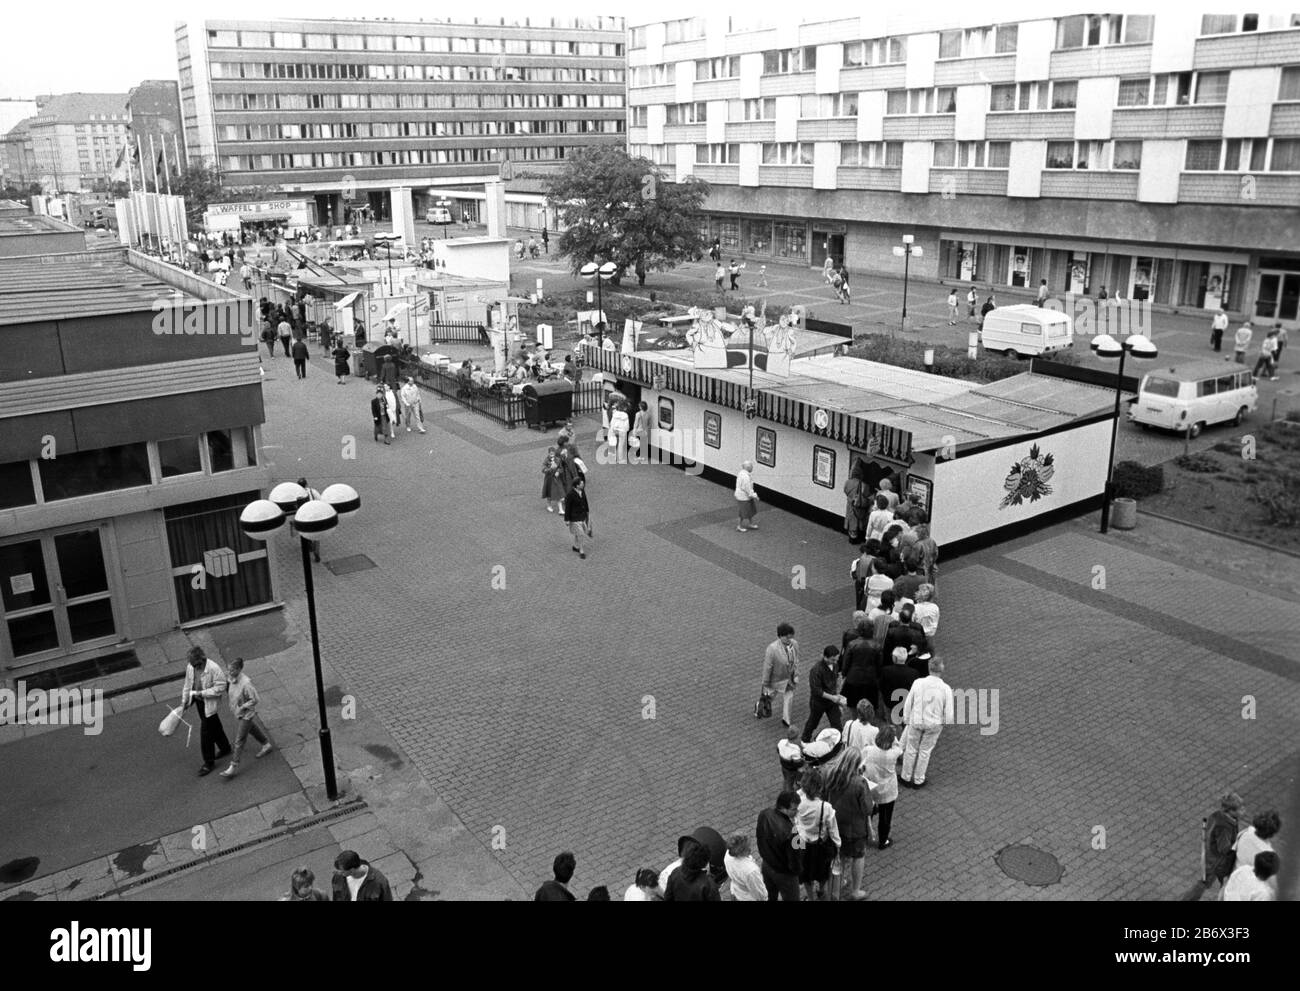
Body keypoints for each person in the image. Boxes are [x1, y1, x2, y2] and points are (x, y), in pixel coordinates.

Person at [824, 747, 873, 899]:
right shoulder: (860, 783)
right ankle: (855, 891)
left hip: (835, 825)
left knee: (840, 857)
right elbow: (868, 808)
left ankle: (837, 886)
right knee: (858, 856)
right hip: (855, 829)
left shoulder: (829, 774)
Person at [900, 656, 954, 788]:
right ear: (941, 670)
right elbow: (949, 711)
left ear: (929, 668)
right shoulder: (946, 688)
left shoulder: (918, 683)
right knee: (925, 751)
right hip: (934, 724)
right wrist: (945, 721)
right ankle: (919, 779)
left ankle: (906, 777)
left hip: (917, 720)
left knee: (911, 749)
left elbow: (908, 702)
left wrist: (907, 718)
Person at [218, 657, 273, 778]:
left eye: (232, 670)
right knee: (252, 728)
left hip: (246, 714)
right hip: (239, 713)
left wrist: (242, 707)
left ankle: (233, 766)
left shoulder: (246, 684)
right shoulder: (231, 678)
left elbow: (255, 699)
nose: (229, 672)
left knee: (239, 740)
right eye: (228, 670)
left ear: (239, 669)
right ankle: (266, 744)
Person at [183, 646, 231, 777]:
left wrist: (202, 693)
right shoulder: (191, 667)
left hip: (208, 702)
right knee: (213, 724)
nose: (195, 668)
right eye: (193, 665)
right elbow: (188, 685)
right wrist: (185, 701)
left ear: (202, 659)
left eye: (197, 665)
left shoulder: (214, 669)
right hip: (198, 701)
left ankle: (208, 762)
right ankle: (225, 747)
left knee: (206, 732)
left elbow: (221, 687)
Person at [795, 769, 841, 901]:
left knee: (806, 875)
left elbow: (795, 820)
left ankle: (810, 897)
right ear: (819, 787)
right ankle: (821, 892)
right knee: (822, 873)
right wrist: (838, 845)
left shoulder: (797, 800)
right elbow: (833, 829)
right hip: (820, 845)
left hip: (803, 844)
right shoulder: (825, 807)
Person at [756, 791, 802, 901]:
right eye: (794, 809)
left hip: (767, 866)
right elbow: (796, 858)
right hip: (785, 875)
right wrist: (797, 873)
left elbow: (759, 838)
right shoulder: (793, 833)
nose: (797, 812)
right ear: (783, 808)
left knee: (770, 896)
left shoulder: (764, 814)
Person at [864, 722, 903, 849]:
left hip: (872, 787)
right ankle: (883, 840)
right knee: (885, 816)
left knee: (868, 812)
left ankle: (865, 833)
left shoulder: (869, 750)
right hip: (888, 790)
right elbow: (899, 747)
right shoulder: (893, 753)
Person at [801, 645, 845, 743]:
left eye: (837, 659)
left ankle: (839, 742)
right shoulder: (816, 670)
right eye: (833, 660)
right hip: (818, 702)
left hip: (832, 701)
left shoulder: (835, 665)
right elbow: (816, 690)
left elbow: (836, 679)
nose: (835, 662)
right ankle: (805, 739)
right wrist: (832, 698)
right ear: (825, 657)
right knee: (813, 722)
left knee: (837, 724)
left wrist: (837, 695)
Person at [760, 622, 800, 728]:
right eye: (786, 638)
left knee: (789, 697)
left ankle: (786, 719)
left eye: (790, 637)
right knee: (769, 698)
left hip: (789, 679)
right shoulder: (772, 649)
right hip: (776, 680)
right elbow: (767, 667)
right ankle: (758, 708)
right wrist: (765, 681)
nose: (789, 640)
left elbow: (796, 660)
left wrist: (796, 674)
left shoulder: (794, 644)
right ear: (780, 636)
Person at [1232, 809, 1281, 893]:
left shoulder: (1245, 833)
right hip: (1249, 890)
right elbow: (1272, 883)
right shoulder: (1269, 855)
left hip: (1234, 879)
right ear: (1273, 833)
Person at [840, 621, 880, 715]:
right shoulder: (877, 645)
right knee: (869, 703)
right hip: (870, 679)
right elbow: (878, 664)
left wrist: (844, 673)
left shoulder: (852, 644)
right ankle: (866, 720)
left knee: (853, 703)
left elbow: (846, 662)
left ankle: (855, 720)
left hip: (853, 678)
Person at [724, 834, 768, 902]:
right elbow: (759, 893)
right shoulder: (751, 871)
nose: (750, 849)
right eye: (747, 848)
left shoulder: (728, 854)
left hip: (736, 892)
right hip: (748, 898)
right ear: (740, 852)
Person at [843, 460, 871, 543]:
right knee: (858, 520)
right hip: (859, 505)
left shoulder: (847, 482)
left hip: (849, 503)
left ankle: (851, 537)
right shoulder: (864, 485)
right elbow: (867, 495)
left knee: (851, 519)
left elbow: (845, 490)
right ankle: (857, 537)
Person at [564, 476, 592, 559]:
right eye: (581, 483)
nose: (583, 484)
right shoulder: (570, 495)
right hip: (575, 518)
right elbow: (567, 507)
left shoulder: (582, 491)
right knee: (581, 534)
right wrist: (567, 519)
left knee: (578, 533)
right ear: (577, 485)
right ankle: (581, 550)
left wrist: (587, 511)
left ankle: (576, 546)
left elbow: (585, 501)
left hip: (582, 516)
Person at [778, 727, 805, 791]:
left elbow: (778, 749)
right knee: (789, 782)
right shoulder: (795, 750)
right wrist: (803, 760)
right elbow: (798, 763)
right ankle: (789, 794)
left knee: (786, 779)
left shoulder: (782, 742)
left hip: (784, 766)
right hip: (791, 769)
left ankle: (787, 788)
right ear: (796, 738)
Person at [735, 459, 759, 532]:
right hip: (743, 497)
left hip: (745, 496)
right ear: (748, 467)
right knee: (743, 512)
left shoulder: (742, 473)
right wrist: (755, 496)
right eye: (752, 466)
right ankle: (739, 526)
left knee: (750, 510)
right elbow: (747, 488)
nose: (752, 468)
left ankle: (750, 523)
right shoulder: (745, 477)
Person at [541, 447, 565, 514]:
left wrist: (558, 471)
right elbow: (543, 470)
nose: (552, 455)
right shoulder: (546, 460)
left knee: (559, 493)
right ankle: (549, 505)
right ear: (548, 454)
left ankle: (560, 509)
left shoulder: (558, 459)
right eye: (551, 454)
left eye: (553, 454)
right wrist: (550, 469)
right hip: (549, 479)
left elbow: (561, 468)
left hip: (557, 479)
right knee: (549, 493)